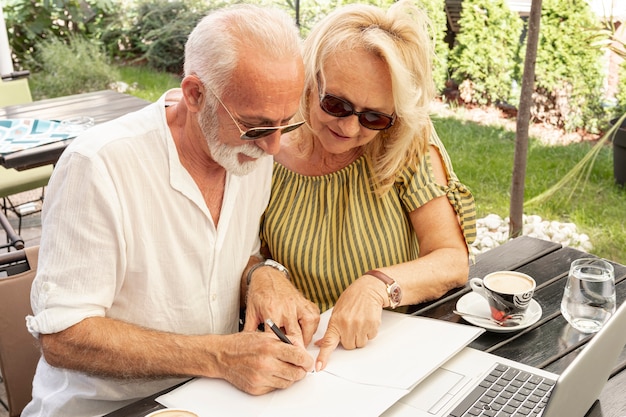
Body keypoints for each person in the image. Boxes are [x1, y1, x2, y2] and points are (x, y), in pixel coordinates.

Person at [22, 5, 320, 417]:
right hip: (108, 408)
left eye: (285, 124)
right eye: (256, 126)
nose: (272, 146)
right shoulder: (99, 166)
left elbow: (226, 255)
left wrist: (262, 274)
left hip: (208, 397)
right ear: (195, 94)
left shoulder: (248, 153)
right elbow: (63, 336)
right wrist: (219, 357)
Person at [256, 0, 477, 372]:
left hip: (398, 347)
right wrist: (264, 274)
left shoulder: (406, 140)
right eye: (336, 104)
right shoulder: (267, 148)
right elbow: (241, 255)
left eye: (374, 116)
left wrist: (378, 286)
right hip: (306, 359)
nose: (350, 129)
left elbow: (452, 260)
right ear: (310, 79)